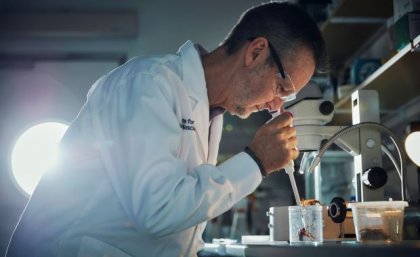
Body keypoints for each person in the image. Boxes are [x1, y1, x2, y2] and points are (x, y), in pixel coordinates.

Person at [6, 1, 327, 257]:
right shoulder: (147, 85)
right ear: (256, 52)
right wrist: (256, 160)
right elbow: (158, 210)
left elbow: (180, 221)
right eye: (281, 87)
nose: (276, 106)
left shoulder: (210, 110)